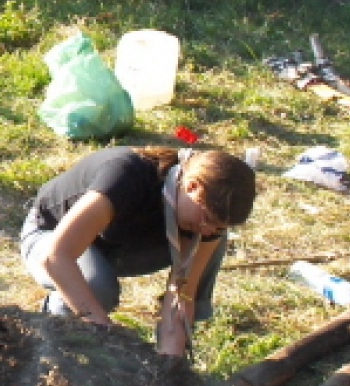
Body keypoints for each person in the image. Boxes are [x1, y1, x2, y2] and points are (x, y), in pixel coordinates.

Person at [19, 147, 256, 357]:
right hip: (51, 237)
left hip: (119, 247)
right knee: (97, 284)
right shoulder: (126, 176)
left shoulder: (205, 221)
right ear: (192, 187)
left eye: (218, 226)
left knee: (212, 246)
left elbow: (182, 294)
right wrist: (103, 332)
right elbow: (57, 257)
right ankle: (58, 343)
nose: (208, 229)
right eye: (207, 219)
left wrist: (170, 367)